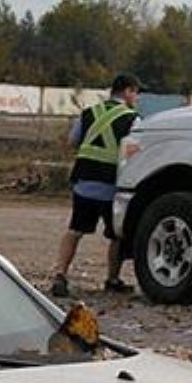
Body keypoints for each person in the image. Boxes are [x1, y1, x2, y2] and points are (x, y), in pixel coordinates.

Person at [48, 73, 140, 299]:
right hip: (112, 187)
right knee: (117, 235)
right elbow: (134, 153)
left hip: (84, 183)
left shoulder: (89, 113)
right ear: (128, 91)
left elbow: (72, 142)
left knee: (75, 230)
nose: (136, 98)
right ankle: (112, 279)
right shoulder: (133, 119)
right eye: (136, 93)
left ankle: (60, 274)